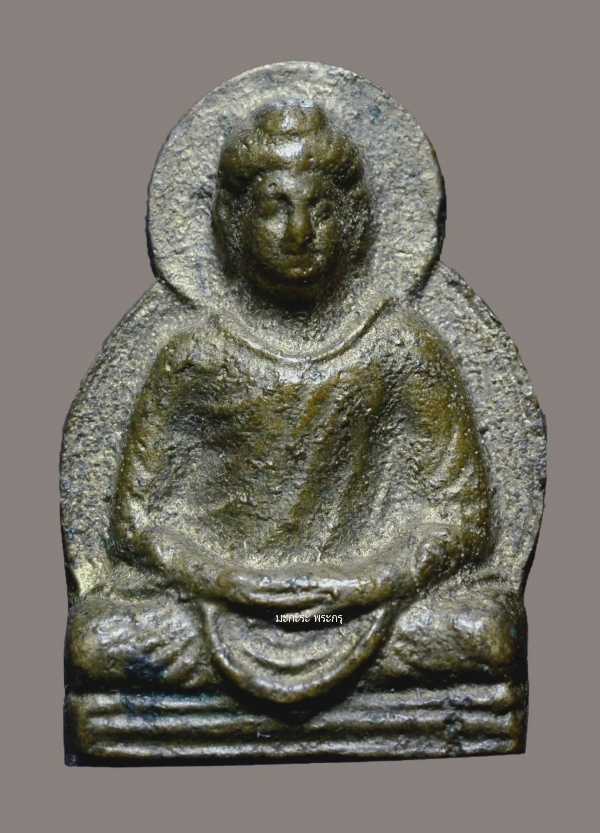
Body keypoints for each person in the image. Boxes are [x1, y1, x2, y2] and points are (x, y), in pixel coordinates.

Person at [68, 101, 491, 703]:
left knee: (484, 633)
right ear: (231, 220)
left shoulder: (400, 347)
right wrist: (226, 578)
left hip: (351, 611)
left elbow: (463, 519)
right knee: (100, 639)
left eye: (321, 208)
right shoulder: (194, 355)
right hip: (226, 610)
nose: (299, 232)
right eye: (274, 208)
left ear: (356, 220)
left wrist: (366, 580)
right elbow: (136, 525)